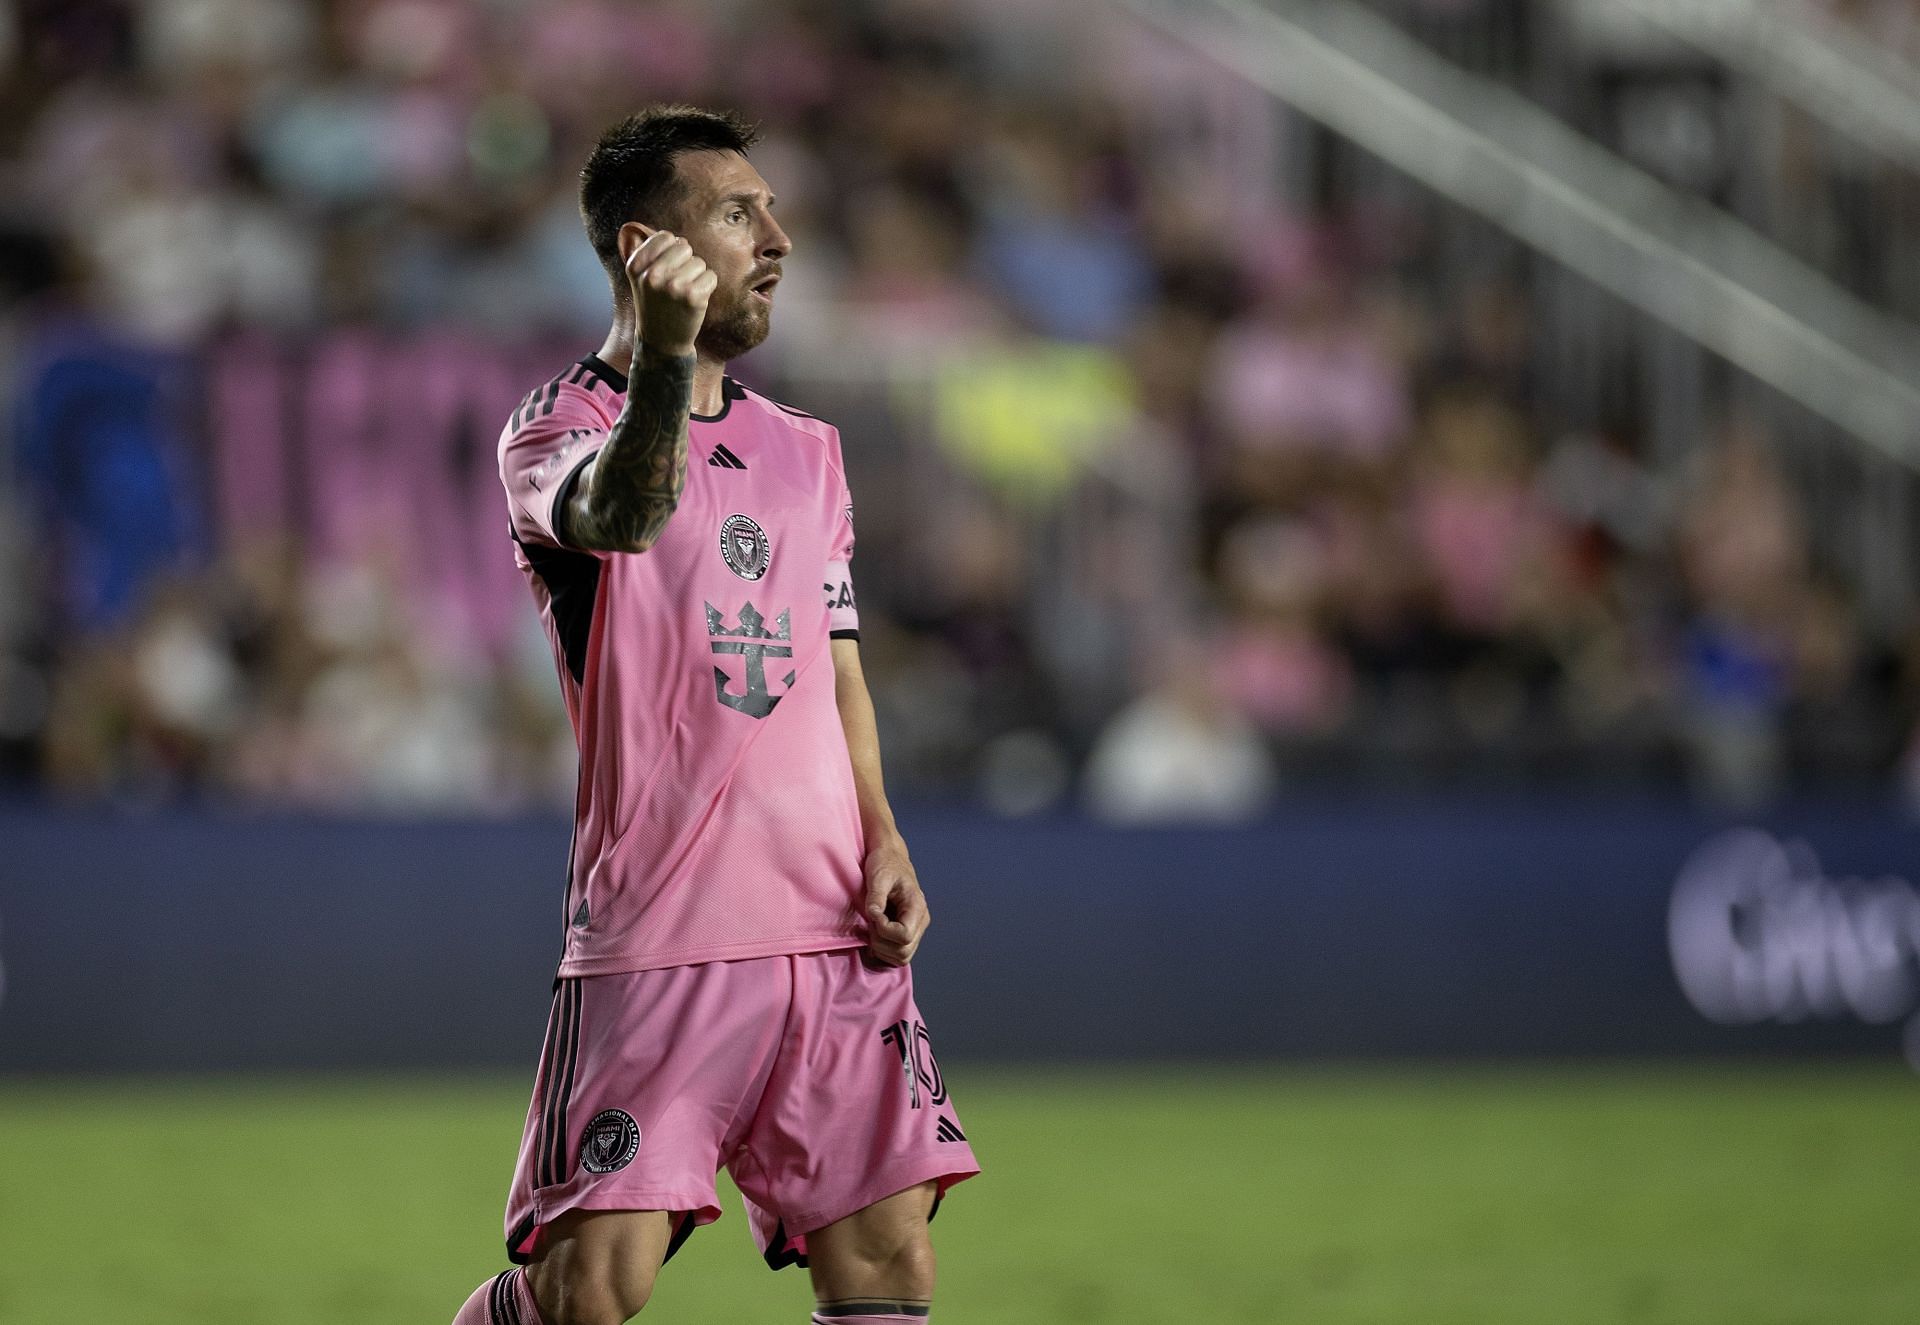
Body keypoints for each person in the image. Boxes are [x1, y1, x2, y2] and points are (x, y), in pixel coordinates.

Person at [453, 105, 978, 1325]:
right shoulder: (556, 426)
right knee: (592, 1290)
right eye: (740, 214)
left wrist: (884, 835)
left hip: (836, 923)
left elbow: (834, 662)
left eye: (774, 209)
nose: (778, 238)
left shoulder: (810, 449)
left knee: (890, 1256)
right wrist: (667, 361)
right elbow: (622, 519)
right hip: (667, 926)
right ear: (646, 248)